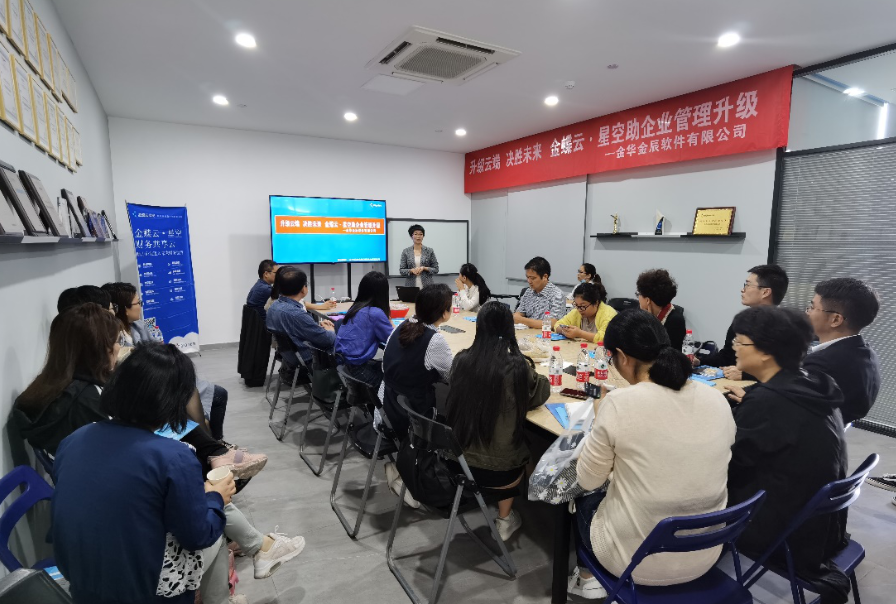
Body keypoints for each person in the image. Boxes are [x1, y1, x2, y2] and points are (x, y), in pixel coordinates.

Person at [51, 343, 305, 604]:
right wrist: (216, 498)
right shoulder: (173, 456)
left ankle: (256, 554)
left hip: (83, 586)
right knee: (216, 529)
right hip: (144, 592)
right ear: (175, 401)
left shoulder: (74, 440)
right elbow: (198, 536)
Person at [569, 310, 735, 599]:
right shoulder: (716, 398)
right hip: (706, 552)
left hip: (634, 562)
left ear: (622, 356)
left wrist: (598, 419)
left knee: (581, 497)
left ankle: (587, 580)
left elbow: (588, 480)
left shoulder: (619, 403)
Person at [725, 306, 849, 603]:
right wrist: (752, 400)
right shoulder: (813, 384)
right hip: (820, 526)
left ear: (767, 352)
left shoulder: (769, 402)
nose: (734, 347)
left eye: (740, 341)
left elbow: (727, 465)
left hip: (781, 531)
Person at [102, 282, 267, 477]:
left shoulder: (139, 326)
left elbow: (157, 353)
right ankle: (216, 451)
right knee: (187, 398)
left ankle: (216, 447)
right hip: (150, 390)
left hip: (159, 382)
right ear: (123, 307)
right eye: (138, 303)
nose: (141, 306)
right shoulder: (113, 338)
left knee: (211, 394)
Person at [446, 301, 549, 541]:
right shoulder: (516, 367)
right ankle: (505, 518)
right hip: (500, 473)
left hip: (456, 464)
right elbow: (541, 392)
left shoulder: (461, 360)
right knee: (523, 443)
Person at [380, 283, 454, 508]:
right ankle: (412, 473)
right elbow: (452, 376)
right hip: (412, 417)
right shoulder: (434, 340)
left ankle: (403, 468)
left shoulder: (401, 326)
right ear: (444, 312)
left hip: (388, 406)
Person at [803, 277, 881, 426]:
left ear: (836, 320)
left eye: (812, 307)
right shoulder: (867, 354)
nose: (808, 313)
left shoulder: (821, 365)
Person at [699, 264, 789, 381]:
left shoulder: (784, 326)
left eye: (748, 285)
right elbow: (727, 356)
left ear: (765, 292)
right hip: (729, 383)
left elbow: (784, 371)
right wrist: (699, 361)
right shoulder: (742, 320)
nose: (742, 290)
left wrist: (745, 375)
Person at [334, 271, 393, 389]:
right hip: (358, 370)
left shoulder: (355, 308)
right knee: (397, 379)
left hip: (346, 367)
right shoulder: (375, 313)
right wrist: (390, 321)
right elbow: (393, 339)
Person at [266, 269, 336, 367]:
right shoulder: (296, 314)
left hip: (290, 357)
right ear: (303, 289)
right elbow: (327, 340)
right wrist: (330, 330)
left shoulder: (273, 306)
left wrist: (316, 327)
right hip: (311, 358)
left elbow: (298, 329)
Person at [636, 269, 686, 350]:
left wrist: (652, 324)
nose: (638, 297)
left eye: (639, 294)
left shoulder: (675, 321)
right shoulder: (640, 314)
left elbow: (666, 353)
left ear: (647, 300)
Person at [513, 256, 566, 328]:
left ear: (545, 277)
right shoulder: (528, 292)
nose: (529, 281)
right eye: (527, 277)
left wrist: (522, 320)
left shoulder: (557, 295)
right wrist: (517, 317)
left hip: (545, 334)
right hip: (526, 332)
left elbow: (552, 323)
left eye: (533, 278)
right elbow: (518, 314)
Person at [399, 224, 439, 288]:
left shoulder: (429, 251)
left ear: (423, 236)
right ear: (411, 236)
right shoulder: (406, 251)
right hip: (411, 285)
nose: (418, 236)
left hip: (428, 285)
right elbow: (402, 270)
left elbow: (436, 269)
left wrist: (424, 268)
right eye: (415, 234)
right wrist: (411, 270)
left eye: (421, 234)